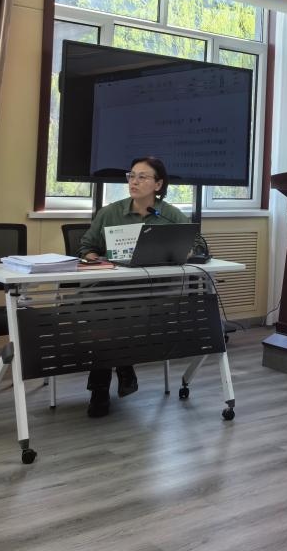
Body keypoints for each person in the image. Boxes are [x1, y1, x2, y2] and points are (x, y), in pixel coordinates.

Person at [78, 156, 189, 417]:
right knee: (101, 311)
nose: (134, 181)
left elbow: (193, 245)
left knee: (109, 315)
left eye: (142, 177)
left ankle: (102, 387)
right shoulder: (110, 213)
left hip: (152, 290)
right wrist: (99, 261)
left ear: (158, 185)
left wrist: (184, 252)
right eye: (131, 176)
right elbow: (86, 248)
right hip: (112, 286)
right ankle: (118, 370)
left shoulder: (170, 215)